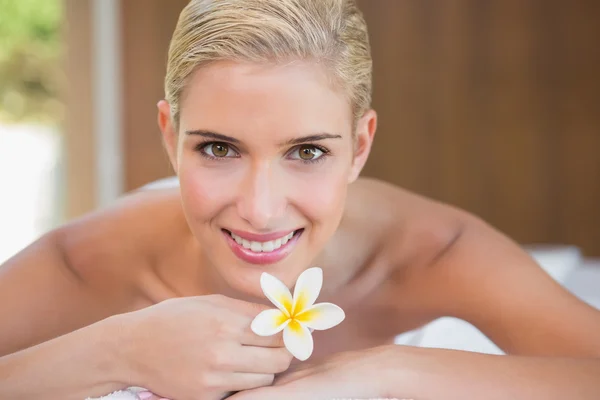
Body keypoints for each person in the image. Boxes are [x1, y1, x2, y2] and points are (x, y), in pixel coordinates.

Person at [1, 0, 599, 399]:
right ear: (169, 136)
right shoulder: (90, 261)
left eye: (307, 152)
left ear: (360, 146)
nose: (261, 209)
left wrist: (390, 374)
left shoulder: (435, 254)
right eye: (218, 148)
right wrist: (116, 350)